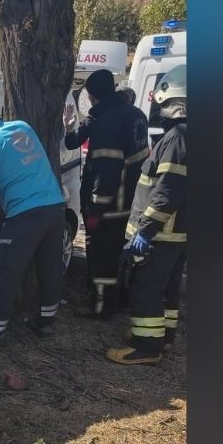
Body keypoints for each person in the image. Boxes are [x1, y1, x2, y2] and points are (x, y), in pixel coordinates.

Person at [0, 101, 66, 346]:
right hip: (54, 206)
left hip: (26, 214)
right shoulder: (22, 126)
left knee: (9, 271)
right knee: (50, 267)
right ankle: (45, 322)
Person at [107, 64, 187, 365]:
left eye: (164, 104)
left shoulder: (177, 139)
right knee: (167, 288)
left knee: (146, 288)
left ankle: (146, 346)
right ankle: (162, 337)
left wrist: (145, 231)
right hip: (176, 233)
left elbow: (167, 191)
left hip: (161, 234)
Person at [64, 69, 150, 319]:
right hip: (132, 201)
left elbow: (107, 172)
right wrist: (70, 128)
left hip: (110, 205)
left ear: (90, 95)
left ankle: (101, 307)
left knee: (102, 256)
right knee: (118, 254)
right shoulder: (134, 114)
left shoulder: (108, 123)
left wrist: (96, 210)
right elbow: (74, 142)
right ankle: (120, 299)